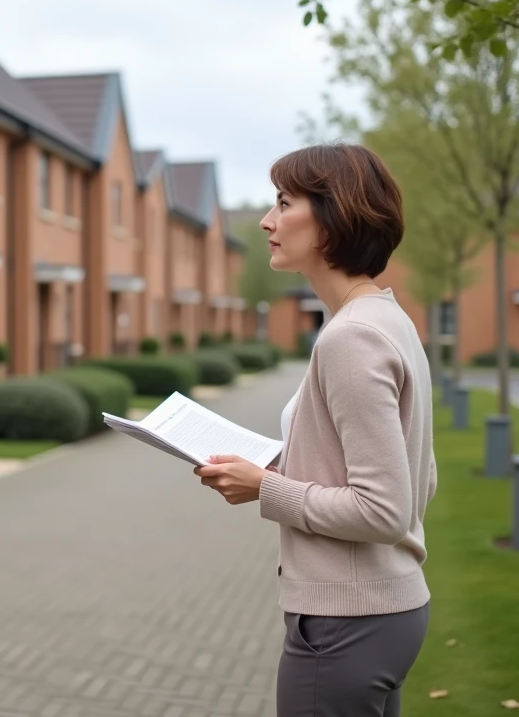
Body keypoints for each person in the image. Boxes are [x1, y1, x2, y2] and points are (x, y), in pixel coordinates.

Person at [195, 143, 437, 716]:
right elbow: (418, 481)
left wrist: (265, 487)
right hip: (381, 613)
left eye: (283, 202)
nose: (266, 220)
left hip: (345, 625)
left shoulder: (351, 338)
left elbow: (385, 509)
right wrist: (282, 468)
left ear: (333, 217)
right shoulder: (387, 319)